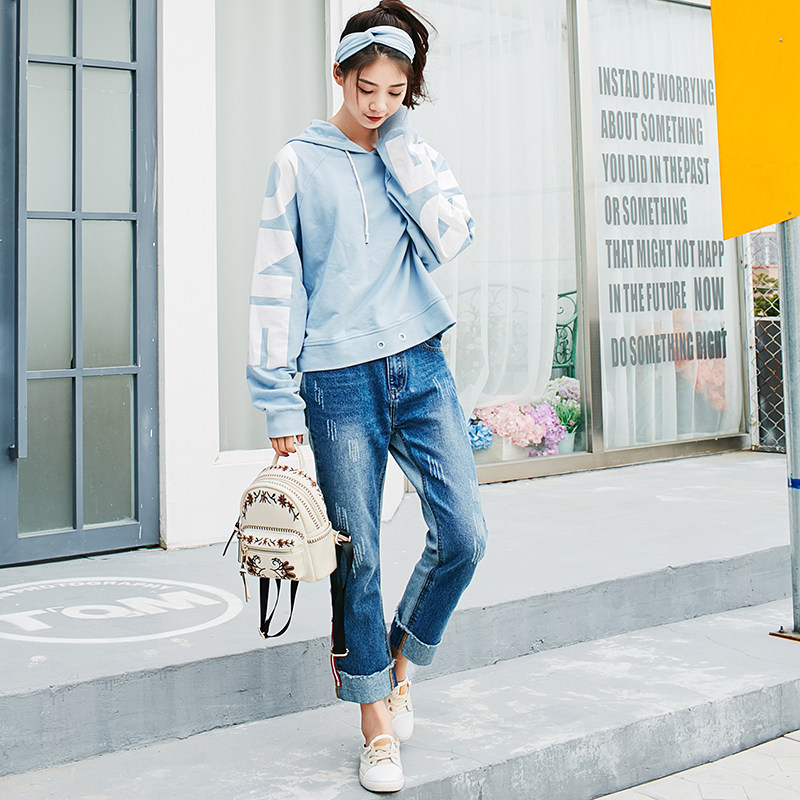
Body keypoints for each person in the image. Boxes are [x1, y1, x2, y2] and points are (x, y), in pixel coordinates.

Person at [246, 1, 487, 792]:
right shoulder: (297, 163)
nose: (378, 103)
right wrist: (277, 400)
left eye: (395, 91)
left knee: (465, 535)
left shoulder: (412, 153)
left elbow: (450, 239)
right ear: (340, 75)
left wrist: (401, 153)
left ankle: (396, 662)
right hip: (337, 380)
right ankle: (375, 724)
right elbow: (276, 282)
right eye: (366, 87)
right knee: (360, 555)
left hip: (421, 363)